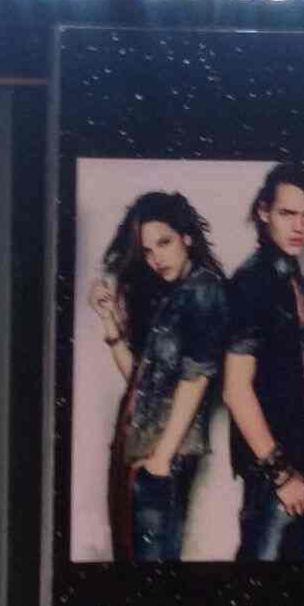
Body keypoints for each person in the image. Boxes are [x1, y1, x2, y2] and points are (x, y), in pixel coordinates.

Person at [89, 191, 228, 561]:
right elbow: (139, 381)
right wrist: (109, 323)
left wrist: (161, 459)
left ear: (187, 237)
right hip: (142, 452)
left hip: (165, 457)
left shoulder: (204, 289)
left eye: (164, 243)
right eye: (147, 252)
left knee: (151, 569)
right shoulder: (172, 296)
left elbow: (196, 378)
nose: (156, 259)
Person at [223, 162, 304, 561]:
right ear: (263, 212)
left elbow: (293, 372)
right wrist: (281, 473)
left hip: (300, 456)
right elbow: (236, 390)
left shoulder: (291, 276)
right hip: (273, 469)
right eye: (287, 213)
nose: (299, 226)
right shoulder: (252, 281)